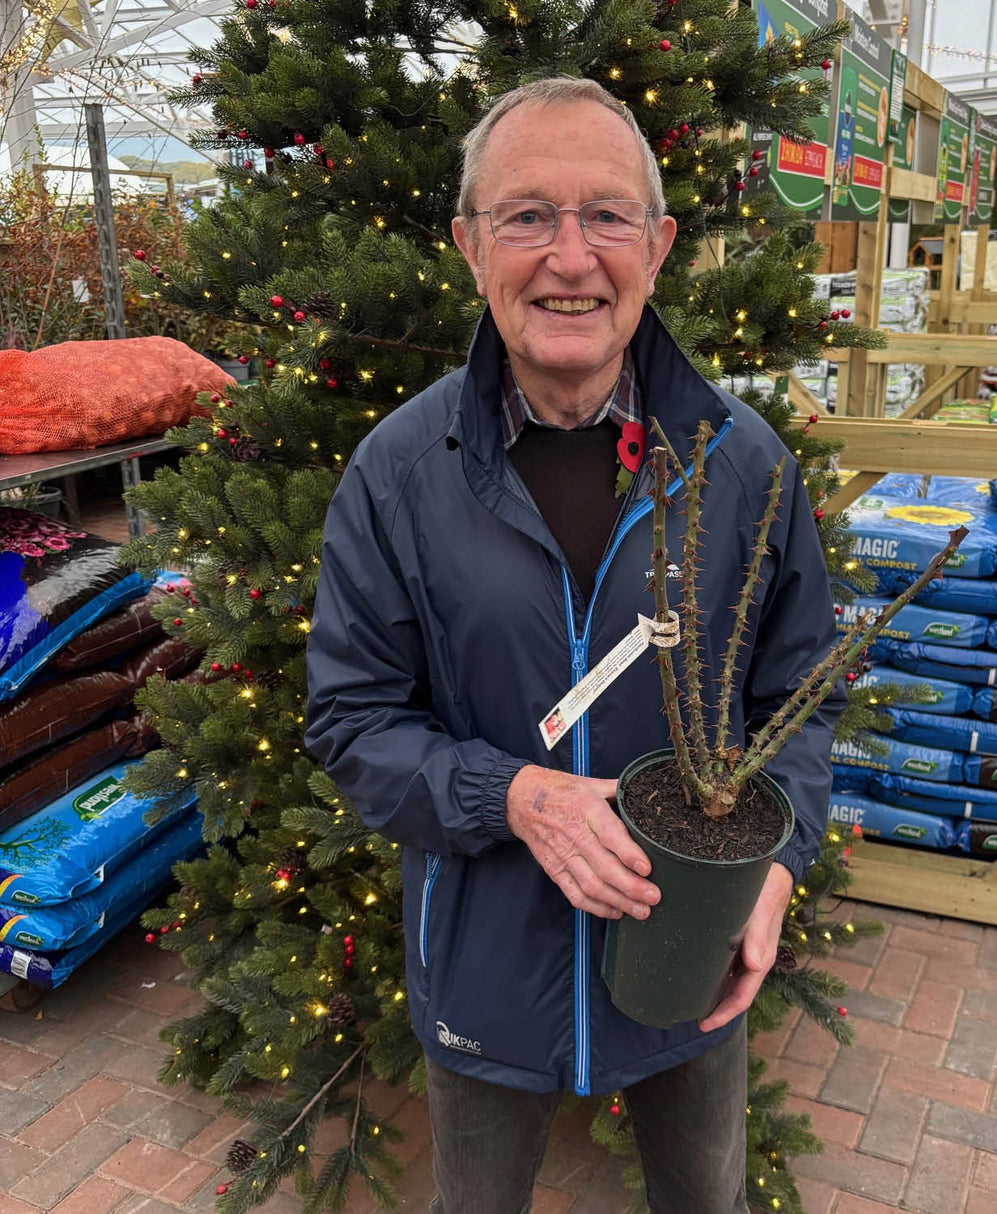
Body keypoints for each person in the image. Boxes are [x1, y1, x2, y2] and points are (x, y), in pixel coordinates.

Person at [305, 76, 840, 1214]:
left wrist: (775, 871)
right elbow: (352, 722)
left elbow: (798, 692)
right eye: (526, 215)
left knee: (707, 1199)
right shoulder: (399, 472)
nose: (568, 255)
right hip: (482, 964)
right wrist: (516, 797)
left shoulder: (742, 465)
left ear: (657, 244)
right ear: (466, 244)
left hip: (689, 946)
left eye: (604, 215)